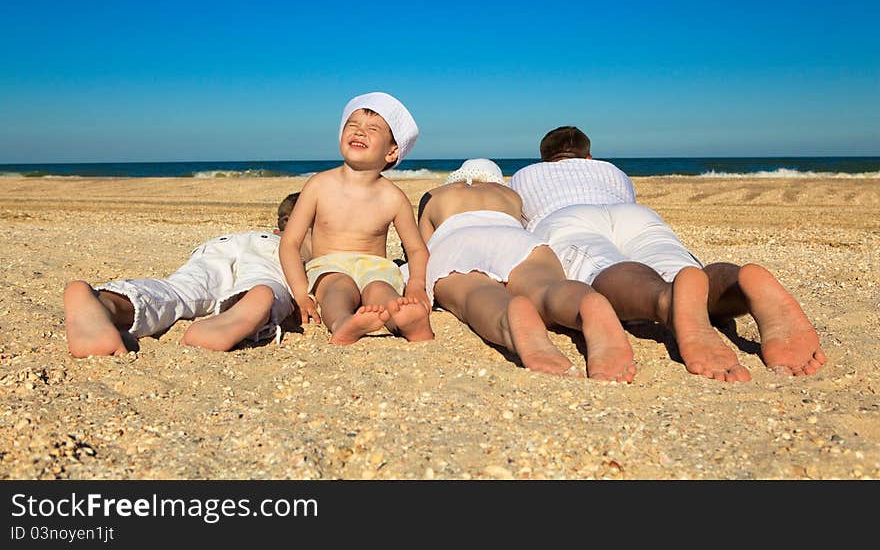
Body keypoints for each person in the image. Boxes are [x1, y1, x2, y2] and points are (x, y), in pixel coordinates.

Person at [510, 126, 826, 382]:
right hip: (635, 216)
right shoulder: (613, 172)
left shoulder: (525, 176)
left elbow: (512, 220)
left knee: (610, 270)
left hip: (567, 218)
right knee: (681, 271)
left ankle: (665, 300)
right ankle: (740, 284)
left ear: (543, 159)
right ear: (589, 156)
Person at [416, 158, 636, 382]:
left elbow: (420, 248)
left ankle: (507, 318)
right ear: (495, 180)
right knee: (544, 287)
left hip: (457, 241)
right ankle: (582, 304)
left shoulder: (435, 195)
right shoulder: (510, 196)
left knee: (476, 292)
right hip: (514, 238)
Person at [63, 192, 309, 357]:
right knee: (268, 279)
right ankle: (256, 297)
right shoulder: (301, 238)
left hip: (220, 244)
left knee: (179, 290)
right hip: (272, 250)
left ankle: (106, 302)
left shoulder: (258, 233)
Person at [279, 92, 434, 346]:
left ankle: (406, 323)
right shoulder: (319, 185)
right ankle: (343, 323)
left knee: (381, 291)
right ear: (341, 135)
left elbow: (416, 249)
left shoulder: (393, 197)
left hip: (376, 267)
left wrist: (416, 286)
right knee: (338, 288)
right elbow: (290, 242)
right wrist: (300, 293)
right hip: (330, 265)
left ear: (392, 152)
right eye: (352, 125)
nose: (360, 132)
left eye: (373, 129)